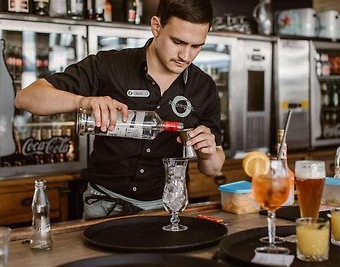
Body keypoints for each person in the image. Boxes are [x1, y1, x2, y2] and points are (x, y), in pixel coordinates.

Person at [14, 0, 225, 218]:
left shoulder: (203, 86)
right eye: (178, 42)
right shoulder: (109, 65)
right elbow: (25, 98)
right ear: (156, 26)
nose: (186, 56)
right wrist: (82, 101)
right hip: (102, 204)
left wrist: (207, 152)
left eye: (197, 46)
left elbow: (213, 169)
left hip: (164, 208)